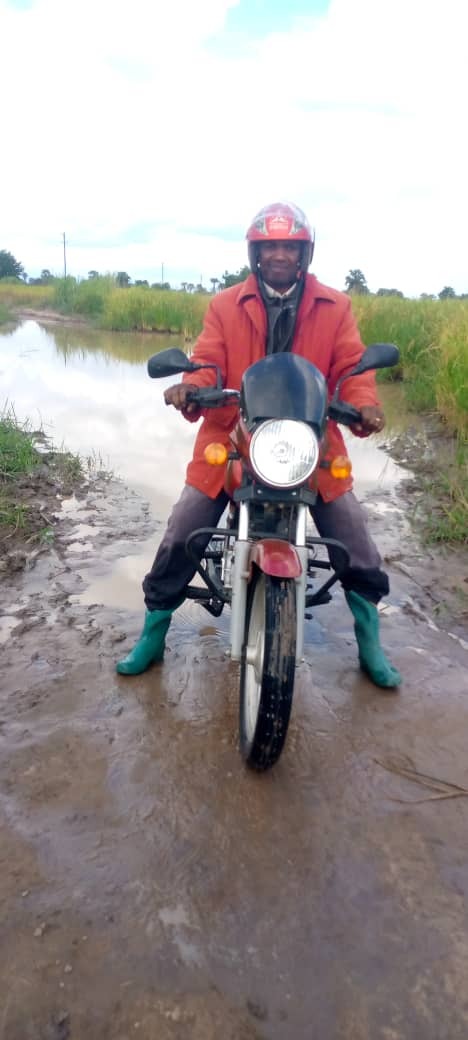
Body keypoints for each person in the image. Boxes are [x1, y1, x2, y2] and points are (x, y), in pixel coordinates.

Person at [117, 201, 401, 689]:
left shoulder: (336, 306)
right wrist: (192, 387)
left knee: (352, 529)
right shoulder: (225, 305)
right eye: (269, 246)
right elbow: (208, 361)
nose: (279, 255)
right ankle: (155, 629)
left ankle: (369, 637)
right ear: (255, 253)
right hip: (234, 431)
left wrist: (363, 405)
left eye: (288, 246)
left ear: (304, 252)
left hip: (310, 437)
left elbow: (354, 369)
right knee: (187, 521)